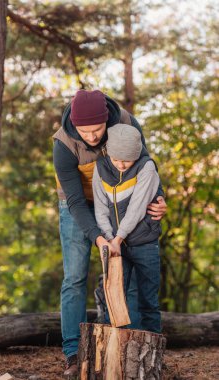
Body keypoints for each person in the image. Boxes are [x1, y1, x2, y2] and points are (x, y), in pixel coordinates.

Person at [53, 89, 166, 377]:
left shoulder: (126, 122)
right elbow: (77, 201)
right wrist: (98, 236)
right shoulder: (63, 144)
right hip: (76, 204)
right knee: (74, 277)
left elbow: (146, 162)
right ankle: (73, 353)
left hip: (121, 204)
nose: (91, 137)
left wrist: (159, 198)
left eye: (97, 130)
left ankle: (135, 349)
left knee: (126, 280)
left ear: (107, 120)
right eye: (84, 131)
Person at [93, 123, 162, 333]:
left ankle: (151, 358)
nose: (122, 165)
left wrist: (119, 237)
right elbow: (100, 207)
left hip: (145, 244)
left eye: (127, 160)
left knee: (148, 301)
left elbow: (137, 208)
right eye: (116, 160)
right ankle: (112, 353)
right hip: (113, 244)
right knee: (113, 297)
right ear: (108, 153)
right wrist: (108, 239)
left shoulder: (146, 167)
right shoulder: (101, 167)